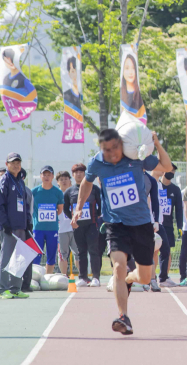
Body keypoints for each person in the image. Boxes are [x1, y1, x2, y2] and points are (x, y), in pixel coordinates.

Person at [72, 128, 172, 335]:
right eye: (106, 149)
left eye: (115, 148)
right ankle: (123, 317)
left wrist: (156, 141)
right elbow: (86, 182)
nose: (112, 153)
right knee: (119, 266)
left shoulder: (136, 157)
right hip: (115, 223)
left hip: (142, 223)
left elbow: (167, 166)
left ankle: (129, 280)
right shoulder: (97, 162)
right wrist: (79, 207)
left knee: (144, 278)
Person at [0, 152, 33, 299]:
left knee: (19, 258)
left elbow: (26, 205)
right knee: (6, 257)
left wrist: (28, 222)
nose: (16, 165)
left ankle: (16, 288)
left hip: (21, 226)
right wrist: (5, 224)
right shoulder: (3, 181)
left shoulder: (20, 181)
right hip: (9, 227)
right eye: (12, 162)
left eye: (18, 162)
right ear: (7, 164)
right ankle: (2, 289)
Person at [64, 164, 103, 286]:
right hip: (78, 227)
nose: (79, 174)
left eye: (81, 171)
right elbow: (66, 208)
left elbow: (101, 205)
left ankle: (96, 277)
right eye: (76, 172)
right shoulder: (69, 191)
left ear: (85, 173)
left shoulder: (94, 188)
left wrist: (97, 217)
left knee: (94, 250)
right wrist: (73, 219)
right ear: (73, 175)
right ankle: (83, 277)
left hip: (92, 225)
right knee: (81, 251)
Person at [31, 166, 64, 274]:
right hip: (38, 229)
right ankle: (35, 277)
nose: (46, 177)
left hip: (52, 229)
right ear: (40, 176)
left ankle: (48, 276)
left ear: (53, 177)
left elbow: (59, 210)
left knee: (51, 254)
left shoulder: (58, 192)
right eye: (44, 174)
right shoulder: (34, 191)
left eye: (49, 174)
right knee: (36, 254)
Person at [156, 165, 183, 286]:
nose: (171, 173)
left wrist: (180, 226)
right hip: (155, 224)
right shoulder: (155, 185)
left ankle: (164, 276)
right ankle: (150, 276)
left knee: (167, 251)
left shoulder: (175, 190)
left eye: (173, 171)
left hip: (167, 225)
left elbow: (178, 210)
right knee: (154, 251)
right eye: (169, 170)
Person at [56, 171, 79, 278]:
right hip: (61, 230)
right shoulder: (56, 194)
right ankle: (64, 277)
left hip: (75, 229)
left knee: (78, 253)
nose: (64, 181)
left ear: (70, 181)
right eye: (61, 179)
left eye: (66, 179)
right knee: (62, 255)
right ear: (57, 182)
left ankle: (82, 276)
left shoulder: (75, 193)